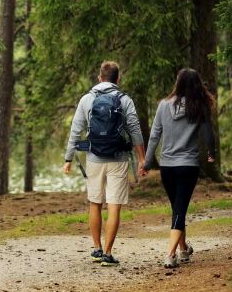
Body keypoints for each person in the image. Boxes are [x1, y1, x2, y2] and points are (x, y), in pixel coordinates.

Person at [63, 61, 146, 267]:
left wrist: (68, 158)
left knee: (95, 203)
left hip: (94, 157)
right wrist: (142, 158)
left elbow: (76, 130)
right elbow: (135, 129)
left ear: (100, 77)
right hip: (118, 158)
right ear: (118, 79)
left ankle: (97, 249)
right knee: (114, 206)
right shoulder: (125, 99)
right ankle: (108, 254)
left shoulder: (87, 99)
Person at [139, 68, 217, 268]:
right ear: (196, 85)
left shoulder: (163, 105)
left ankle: (183, 250)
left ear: (178, 84)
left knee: (177, 208)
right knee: (179, 210)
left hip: (167, 167)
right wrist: (211, 153)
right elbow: (208, 133)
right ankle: (170, 254)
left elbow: (155, 135)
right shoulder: (199, 106)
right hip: (188, 166)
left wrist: (147, 162)